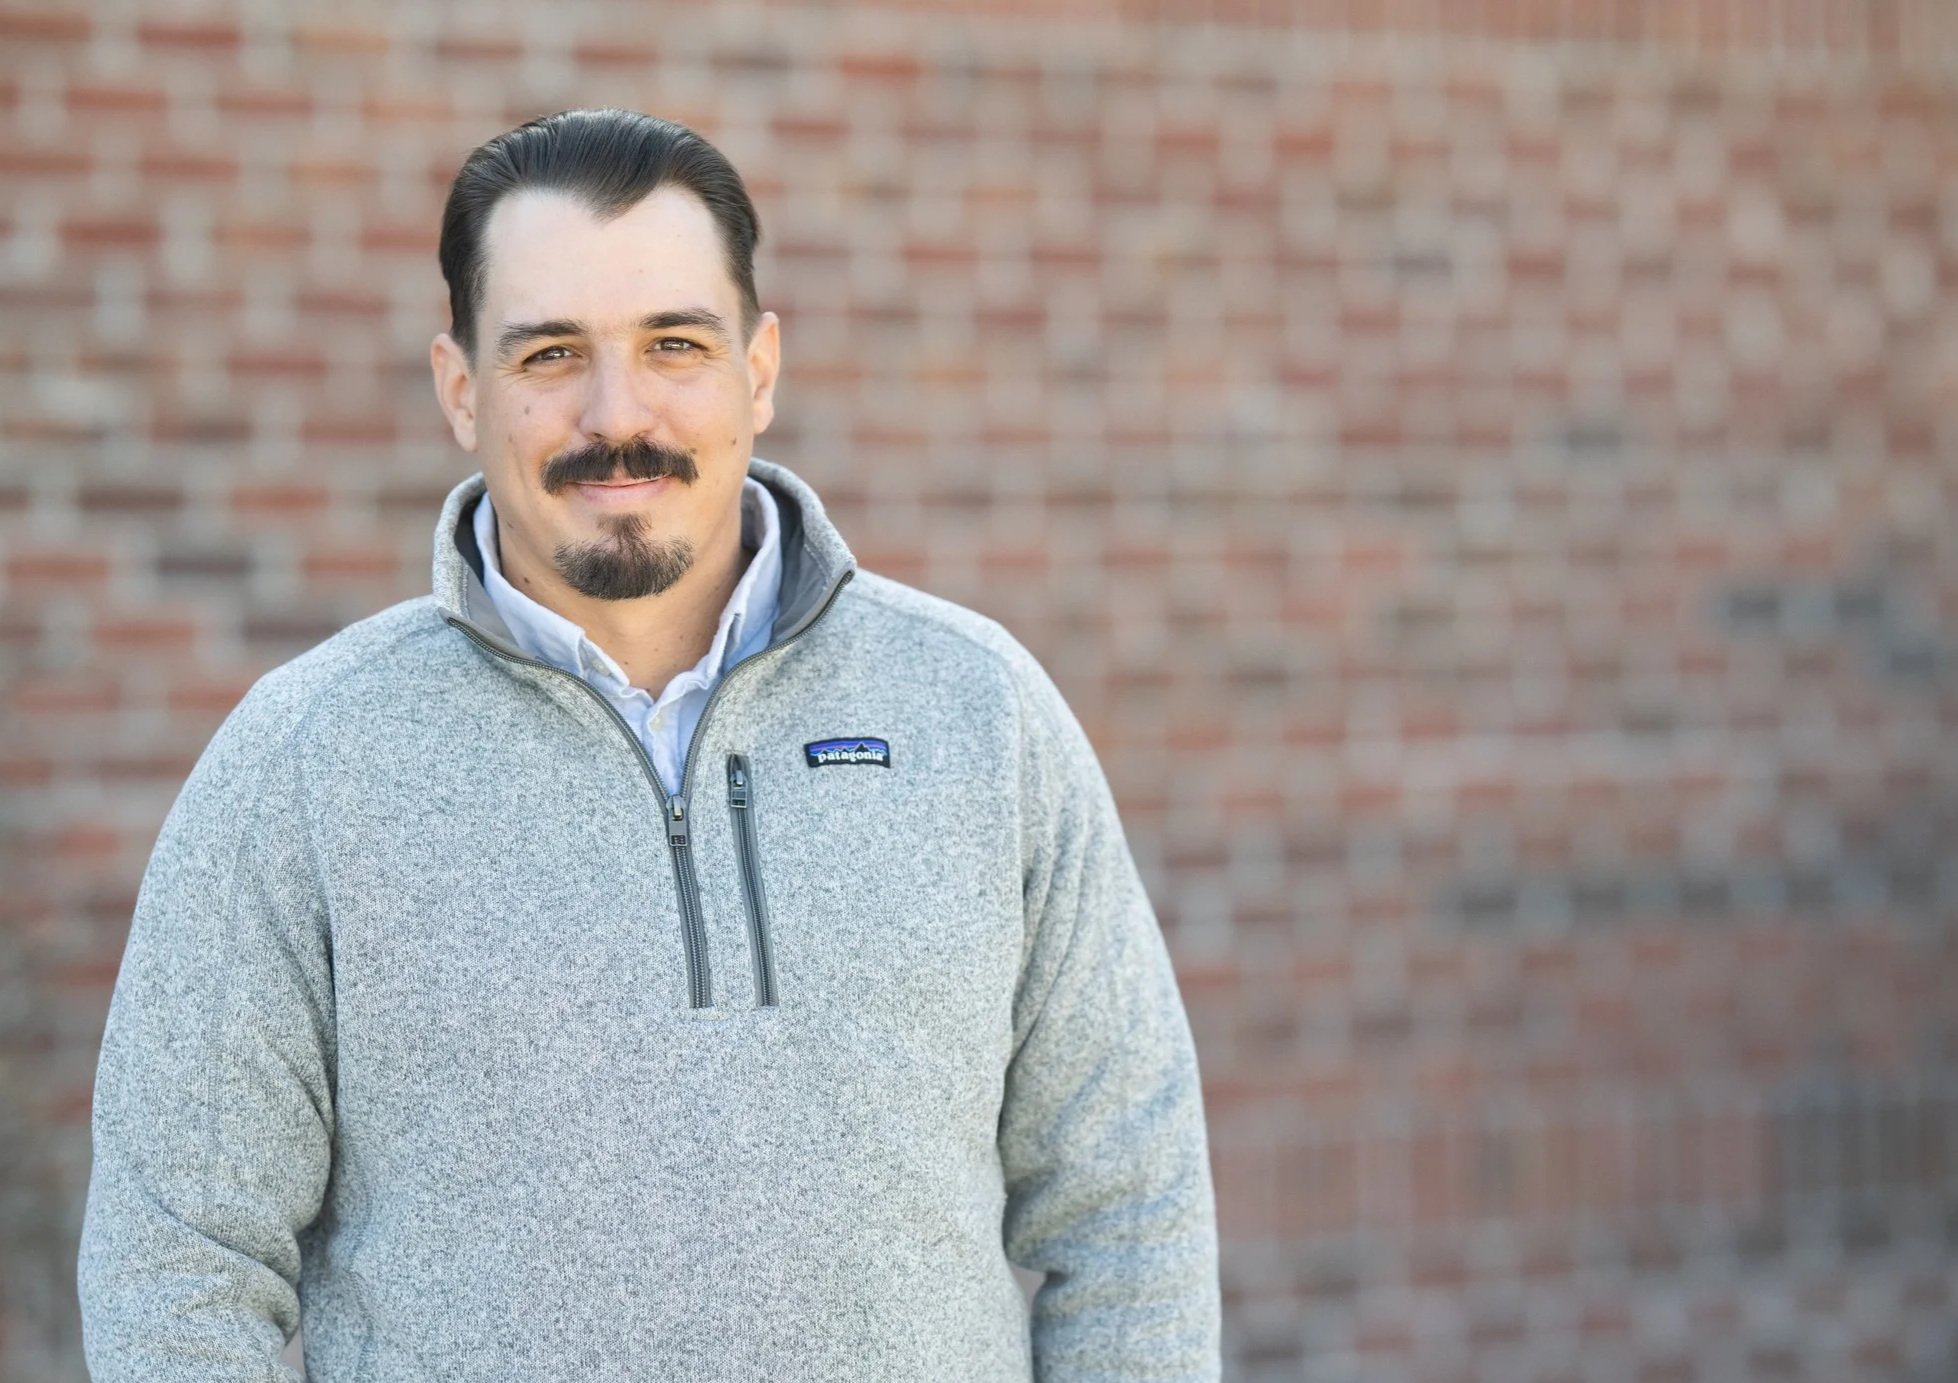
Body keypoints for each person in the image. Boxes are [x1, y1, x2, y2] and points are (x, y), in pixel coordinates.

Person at [75, 108, 1221, 1380]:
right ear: (462, 390)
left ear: (760, 369)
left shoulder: (979, 714)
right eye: (550, 355)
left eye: (674, 344)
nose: (617, 415)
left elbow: (1127, 1211)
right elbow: (177, 1266)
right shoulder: (304, 762)